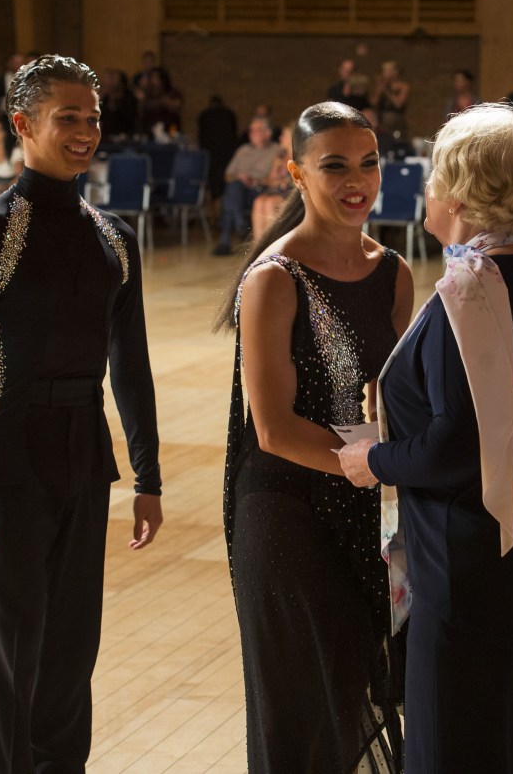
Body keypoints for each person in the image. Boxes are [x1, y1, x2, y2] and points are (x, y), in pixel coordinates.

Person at [338, 104, 513, 773]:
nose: (426, 186)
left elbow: (455, 446)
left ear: (460, 193)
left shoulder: (471, 293)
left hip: (477, 586)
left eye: (435, 173)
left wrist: (369, 458)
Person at [0, 54, 163, 772]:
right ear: (23, 124)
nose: (87, 131)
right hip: (6, 457)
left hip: (84, 458)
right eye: (70, 118)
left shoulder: (114, 238)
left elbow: (130, 363)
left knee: (70, 650)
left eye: (93, 117)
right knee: (8, 655)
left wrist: (147, 475)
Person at [215, 101, 413, 773]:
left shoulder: (394, 270)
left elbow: (392, 399)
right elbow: (270, 427)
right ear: (295, 172)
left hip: (363, 503)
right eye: (335, 166)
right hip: (285, 512)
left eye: (369, 162)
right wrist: (371, 463)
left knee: (356, 692)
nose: (358, 179)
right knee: (299, 710)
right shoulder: (273, 278)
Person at [212, 115, 277, 255]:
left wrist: (255, 180)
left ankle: (225, 241)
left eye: (256, 130)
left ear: (268, 133)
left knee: (230, 196)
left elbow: (275, 178)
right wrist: (240, 177)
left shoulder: (276, 151)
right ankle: (240, 222)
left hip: (259, 190)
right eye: (251, 131)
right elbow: (227, 175)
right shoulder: (243, 150)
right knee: (233, 187)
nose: (252, 134)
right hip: (239, 190)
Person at [249, 122, 294, 240]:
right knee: (259, 201)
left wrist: (285, 180)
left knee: (270, 204)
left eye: (284, 135)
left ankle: (271, 247)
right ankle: (258, 247)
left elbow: (298, 181)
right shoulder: (279, 157)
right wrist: (276, 175)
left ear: (292, 138)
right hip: (276, 191)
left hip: (291, 194)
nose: (280, 138)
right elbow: (269, 180)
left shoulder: (298, 157)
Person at [374, 60, 410, 139]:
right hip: (382, 121)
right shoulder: (382, 86)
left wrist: (387, 91)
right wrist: (380, 89)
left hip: (397, 122)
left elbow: (398, 104)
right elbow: (374, 102)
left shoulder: (403, 86)